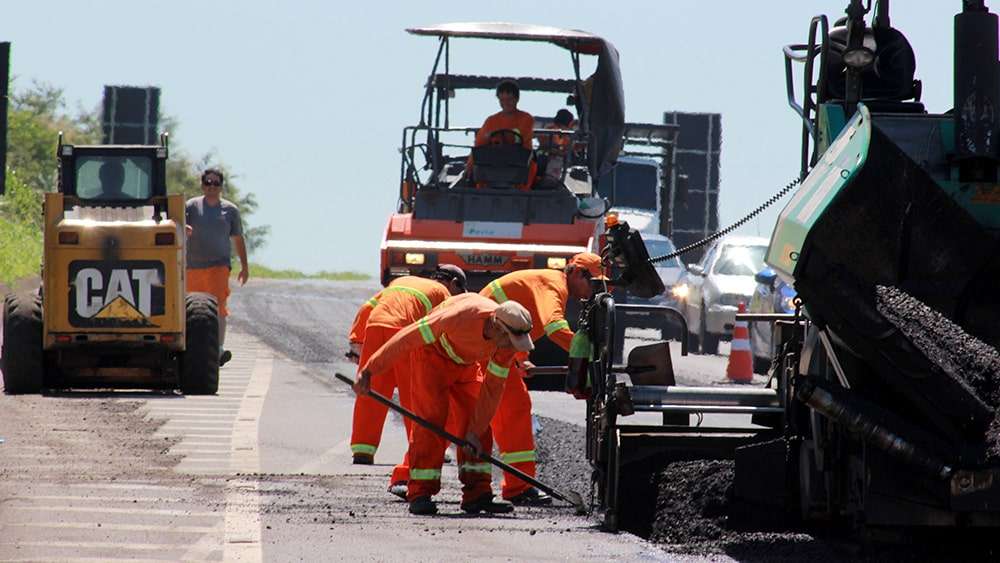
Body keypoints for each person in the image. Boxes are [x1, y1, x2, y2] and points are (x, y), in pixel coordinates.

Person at [354, 294, 534, 516]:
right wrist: (370, 370)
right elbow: (406, 339)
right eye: (509, 340)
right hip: (432, 358)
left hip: (466, 364)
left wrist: (474, 432)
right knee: (431, 422)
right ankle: (420, 493)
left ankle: (477, 494)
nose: (511, 347)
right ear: (497, 326)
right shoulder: (459, 317)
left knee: (479, 429)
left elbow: (492, 390)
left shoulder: (506, 345)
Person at [480, 252, 606, 505]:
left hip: (494, 345)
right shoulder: (553, 284)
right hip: (488, 347)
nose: (594, 290)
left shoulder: (546, 282)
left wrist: (520, 357)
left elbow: (523, 321)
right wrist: (587, 352)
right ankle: (517, 487)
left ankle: (417, 477)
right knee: (514, 408)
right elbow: (553, 326)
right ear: (575, 273)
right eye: (592, 283)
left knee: (480, 411)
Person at [346, 265, 467, 499]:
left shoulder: (403, 282)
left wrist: (356, 342)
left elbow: (367, 308)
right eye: (459, 291)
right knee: (416, 396)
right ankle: (423, 448)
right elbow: (443, 330)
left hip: (376, 327)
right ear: (452, 283)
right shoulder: (441, 294)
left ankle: (363, 449)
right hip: (403, 333)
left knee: (371, 390)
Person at [185, 168, 248, 366]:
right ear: (202, 185)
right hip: (192, 266)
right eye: (208, 183)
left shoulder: (230, 210)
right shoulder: (191, 207)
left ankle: (219, 349)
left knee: (219, 307)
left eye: (216, 183)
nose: (211, 187)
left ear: (221, 186)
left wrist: (244, 266)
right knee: (191, 308)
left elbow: (238, 238)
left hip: (218, 266)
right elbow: (176, 227)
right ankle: (190, 346)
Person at [469, 80, 537, 190]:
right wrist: (469, 167)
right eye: (502, 100)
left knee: (531, 167)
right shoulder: (491, 120)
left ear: (517, 99)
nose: (505, 103)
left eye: (509, 99)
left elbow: (520, 138)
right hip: (493, 162)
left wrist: (498, 138)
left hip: (519, 162)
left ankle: (522, 191)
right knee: (479, 167)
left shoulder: (526, 118)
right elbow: (479, 144)